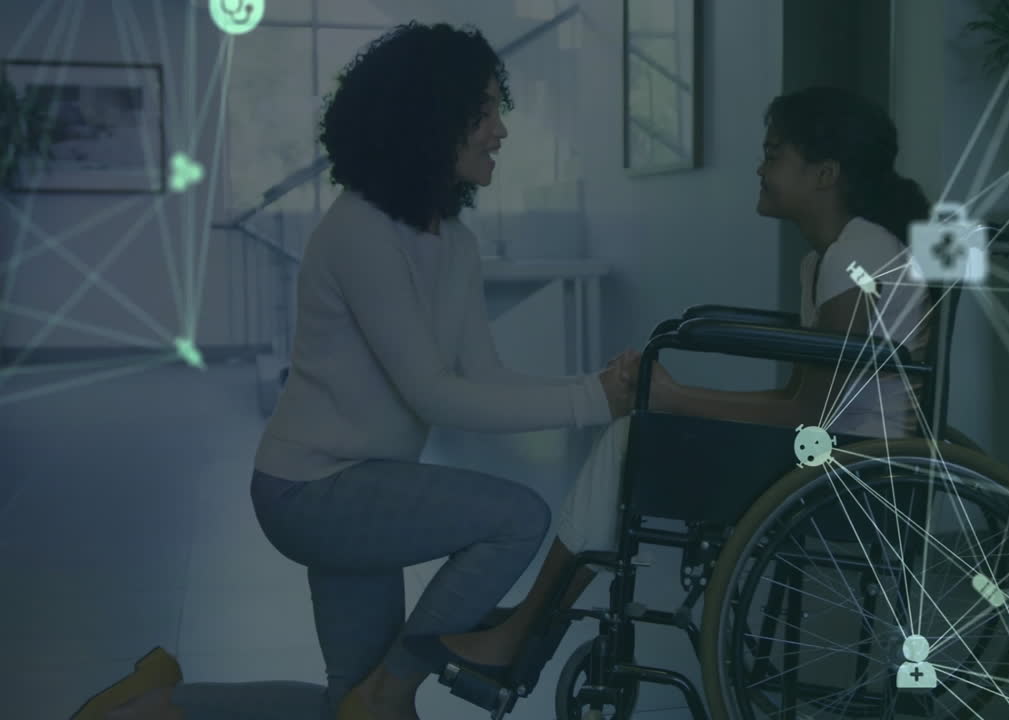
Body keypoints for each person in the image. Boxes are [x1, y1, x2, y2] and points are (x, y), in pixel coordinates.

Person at [72, 21, 637, 720]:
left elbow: (483, 375)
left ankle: (153, 708)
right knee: (516, 518)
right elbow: (433, 393)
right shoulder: (359, 231)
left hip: (364, 486)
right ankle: (398, 681)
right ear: (431, 118)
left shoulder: (451, 242)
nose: (501, 129)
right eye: (486, 110)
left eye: (500, 109)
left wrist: (600, 392)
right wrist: (589, 400)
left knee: (354, 706)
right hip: (313, 491)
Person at [454, 85, 937, 669]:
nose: (759, 168)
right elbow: (796, 399)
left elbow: (810, 415)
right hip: (837, 456)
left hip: (854, 474)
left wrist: (677, 398)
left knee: (634, 438)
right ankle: (533, 619)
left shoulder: (854, 257)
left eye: (774, 154)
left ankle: (527, 626)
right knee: (641, 430)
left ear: (824, 173)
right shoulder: (831, 256)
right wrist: (677, 400)